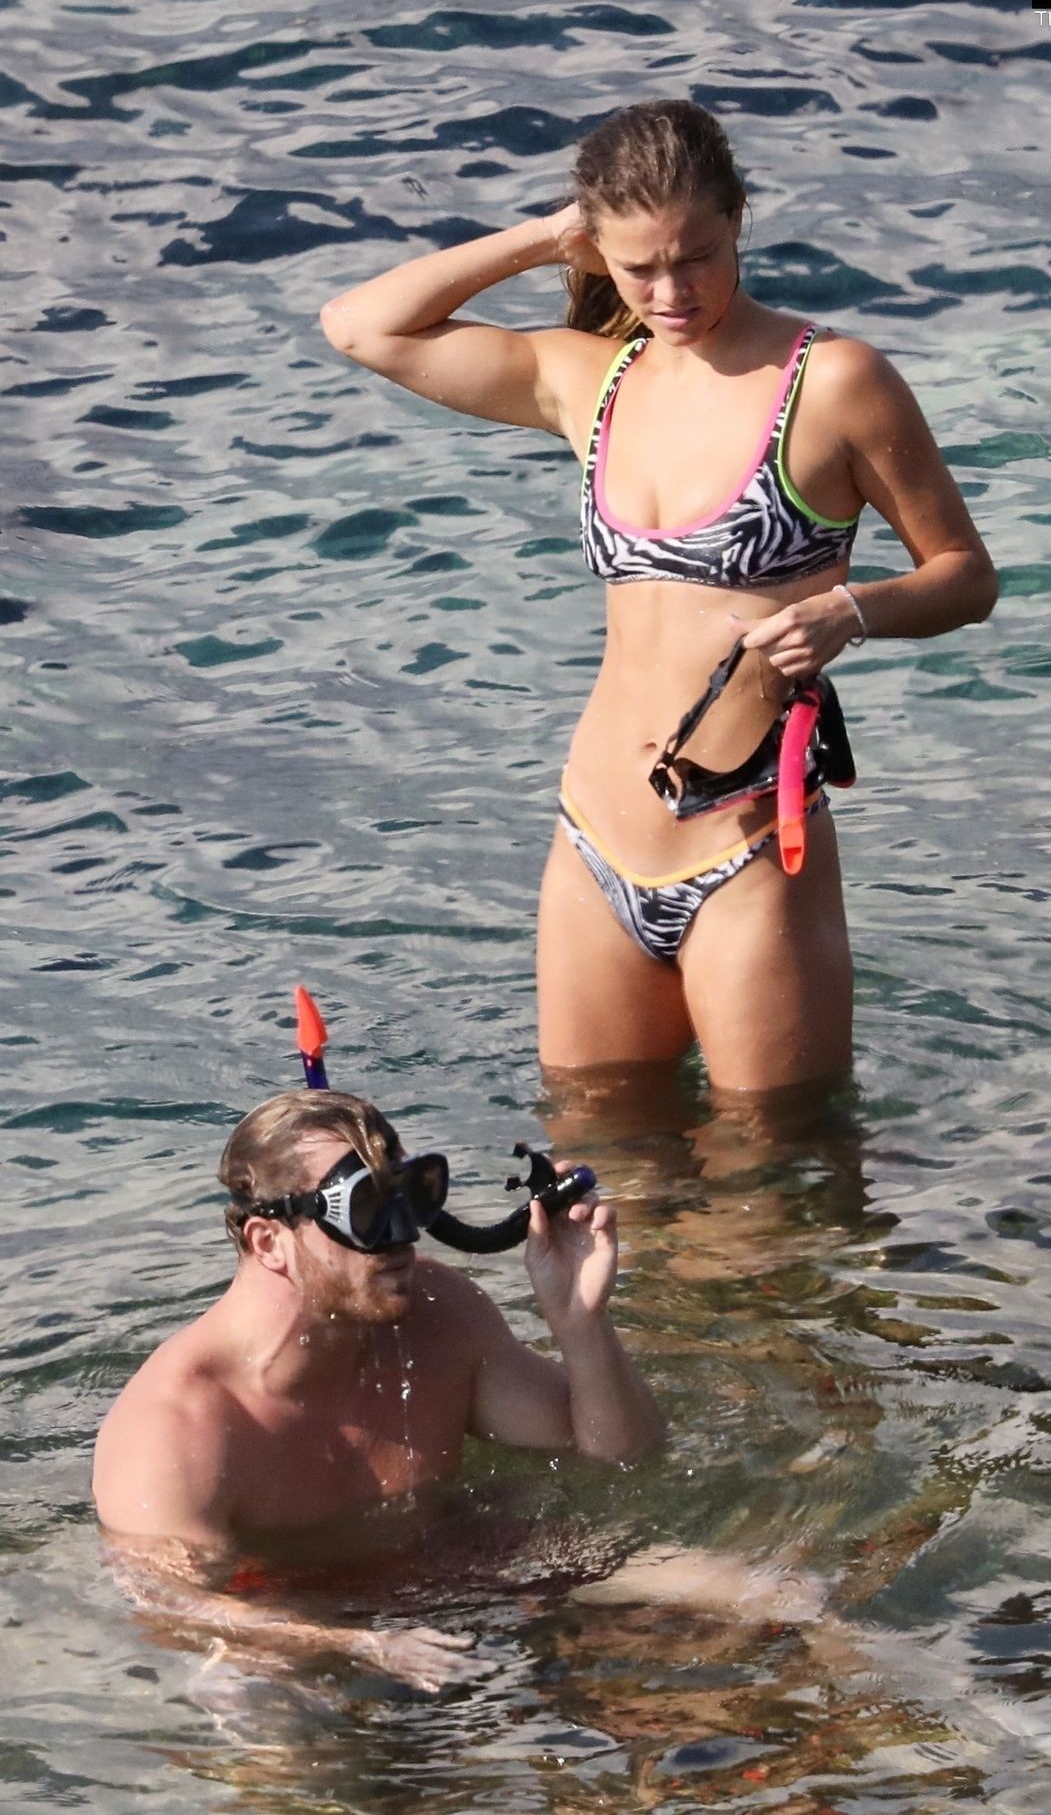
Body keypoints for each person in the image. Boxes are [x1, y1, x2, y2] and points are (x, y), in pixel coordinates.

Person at [320, 99, 997, 1093]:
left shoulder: (830, 382)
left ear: (738, 220)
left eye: (698, 258)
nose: (672, 292)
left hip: (749, 847)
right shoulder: (589, 381)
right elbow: (358, 326)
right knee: (597, 1145)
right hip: (592, 840)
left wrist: (851, 612)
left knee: (772, 1164)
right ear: (600, 251)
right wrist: (548, 235)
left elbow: (966, 577)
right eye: (638, 267)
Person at [93, 1088, 665, 1688]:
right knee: (258, 1700)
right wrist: (360, 1647)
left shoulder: (438, 1314)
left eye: (412, 1195)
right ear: (269, 1242)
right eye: (366, 1207)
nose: (403, 1236)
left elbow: (622, 1458)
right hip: (292, 1626)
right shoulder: (177, 1424)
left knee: (726, 1587)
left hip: (459, 1576)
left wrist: (580, 1321)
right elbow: (171, 1609)